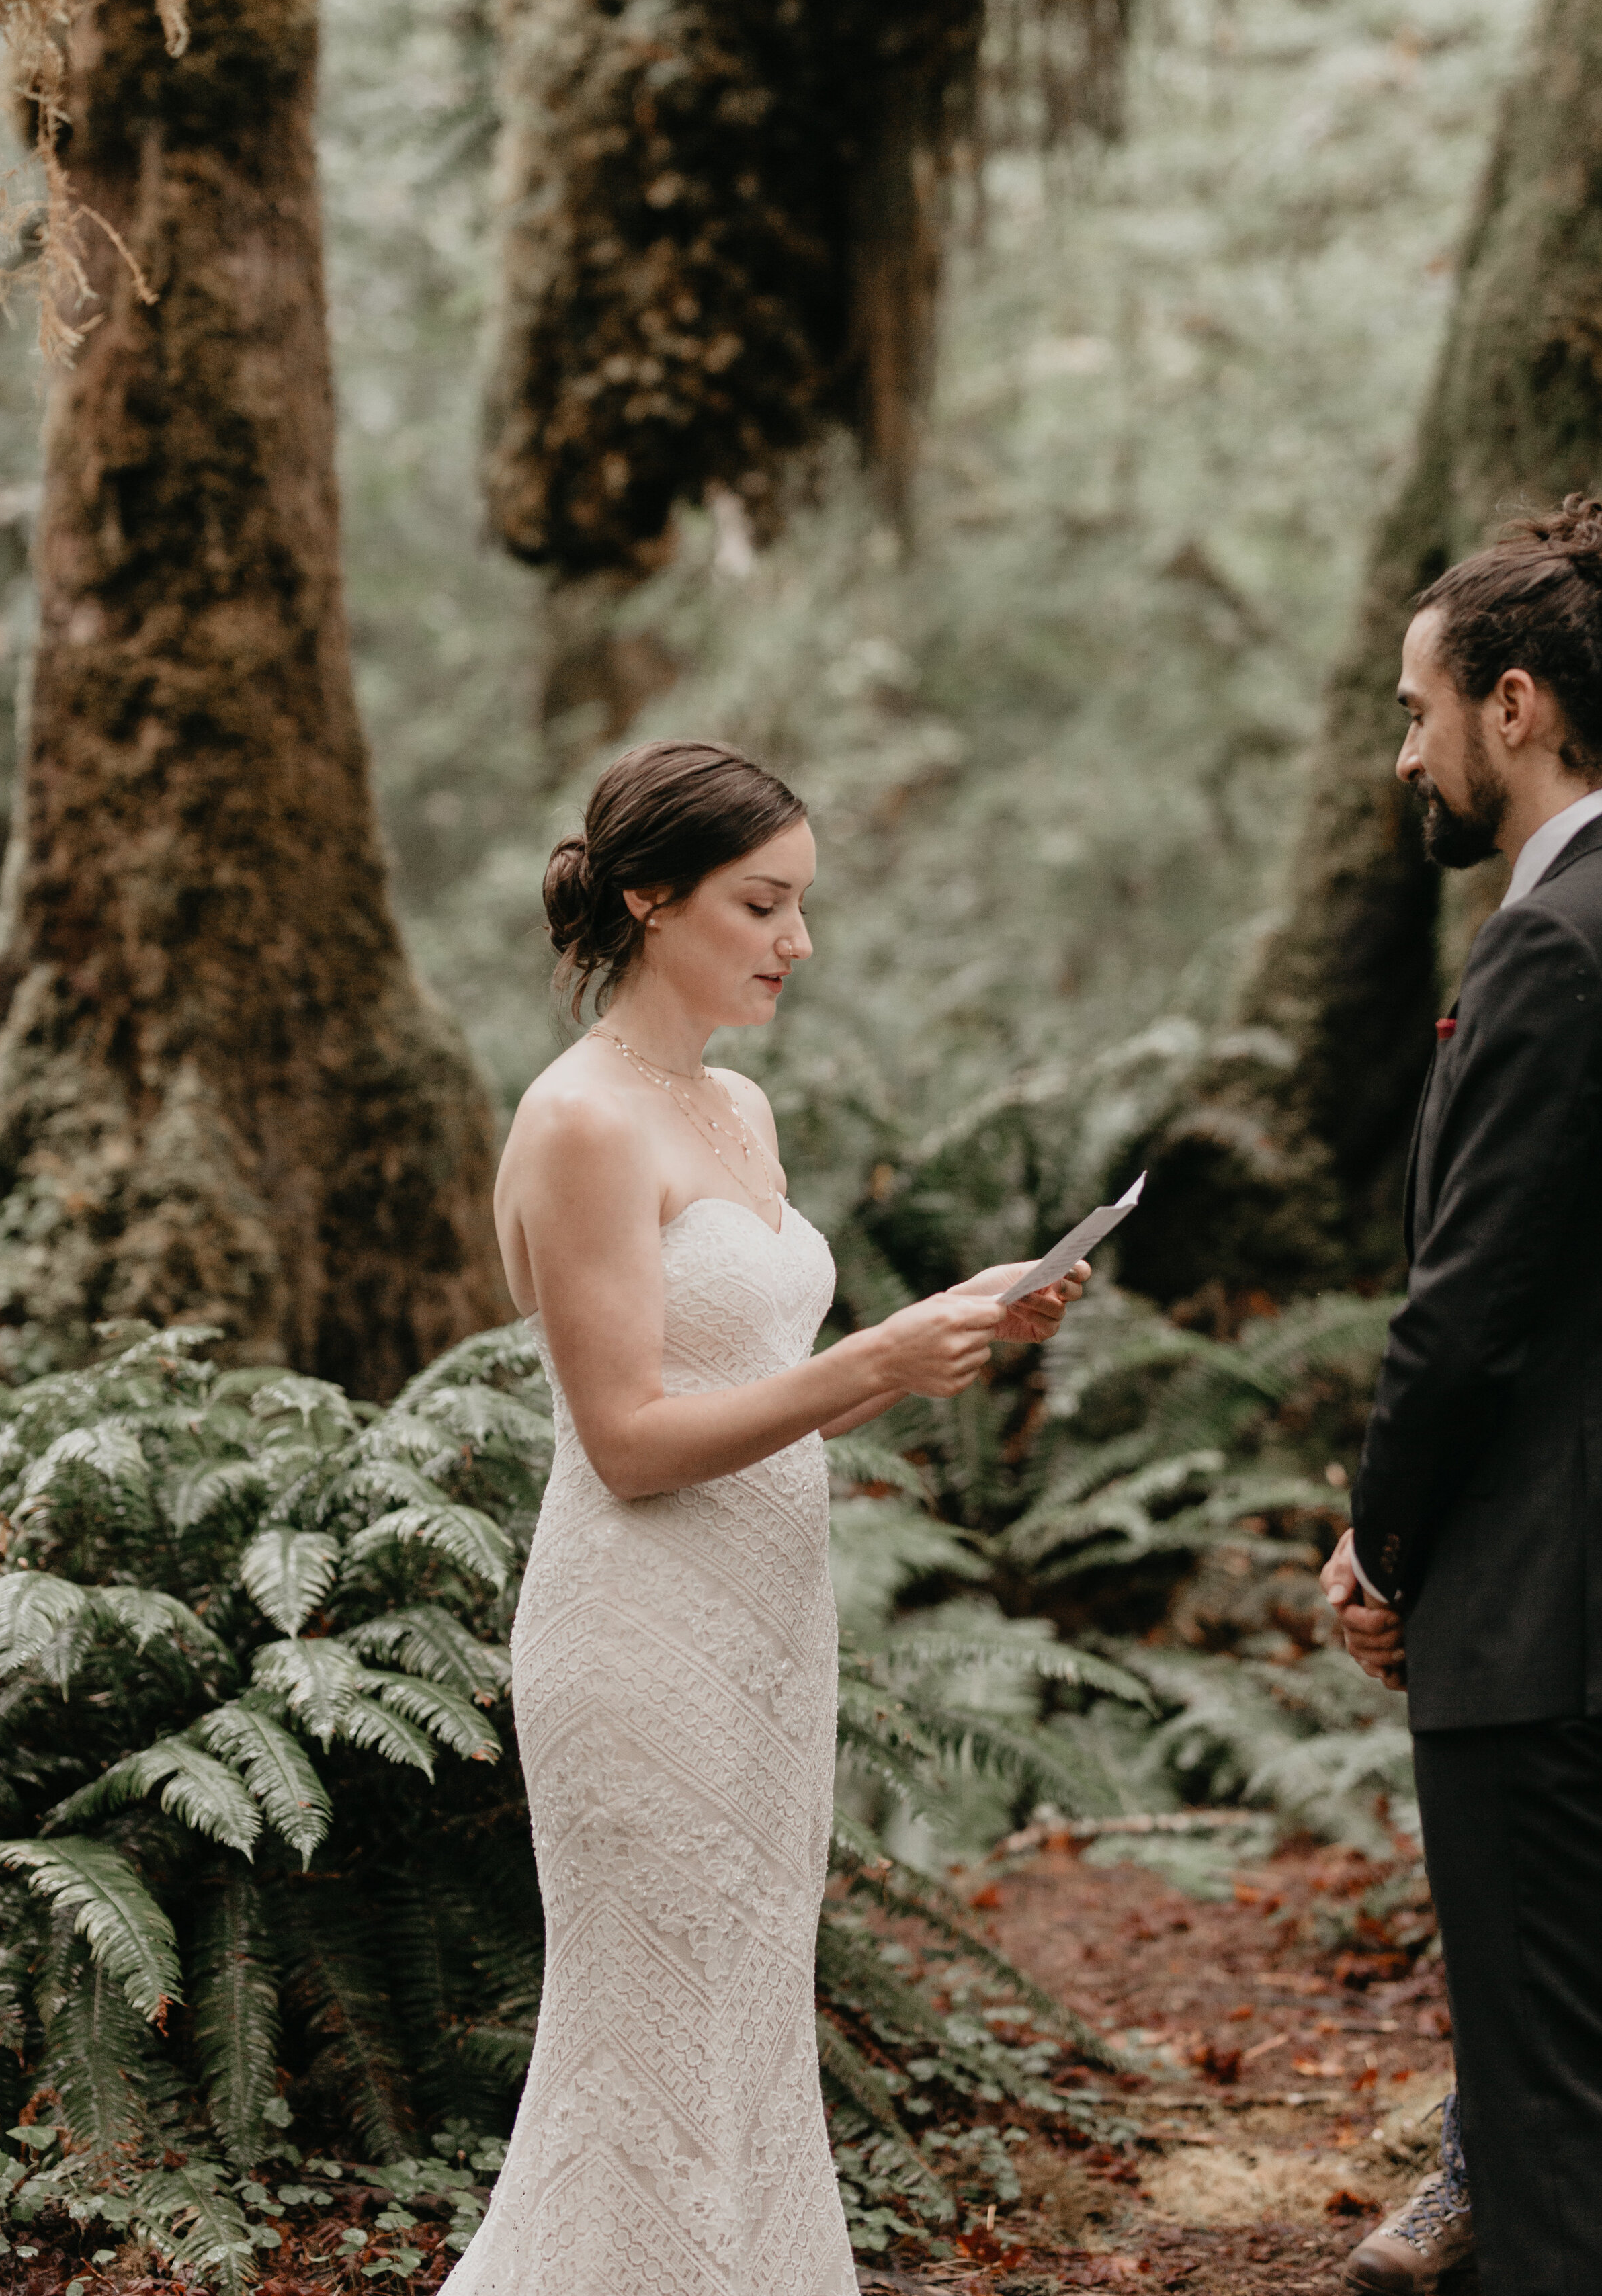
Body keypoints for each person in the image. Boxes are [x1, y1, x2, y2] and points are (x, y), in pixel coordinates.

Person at [444, 739, 1085, 2296]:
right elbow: (630, 1444)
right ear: (649, 899)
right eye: (762, 903)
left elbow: (766, 1389)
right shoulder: (584, 1120)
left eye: (801, 905)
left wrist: (942, 1334)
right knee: (641, 2042)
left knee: (742, 2020)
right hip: (636, 1636)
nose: (796, 941)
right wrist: (868, 1356)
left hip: (767, 1635)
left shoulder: (736, 1105)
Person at [1320, 496, 1602, 2296]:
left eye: (1416, 708)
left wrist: (1375, 1538)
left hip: (1544, 1615)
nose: (1399, 749)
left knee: (1547, 2132)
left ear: (1513, 705)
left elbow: (1467, 1313)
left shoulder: (1551, 942)